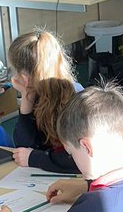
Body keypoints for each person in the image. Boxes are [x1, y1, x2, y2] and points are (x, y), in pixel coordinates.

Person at [9, 30, 81, 174]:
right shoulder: (37, 94)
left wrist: (35, 158)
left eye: (13, 70)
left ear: (24, 78)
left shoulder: (76, 100)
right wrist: (26, 97)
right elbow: (23, 148)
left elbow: (78, 159)